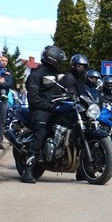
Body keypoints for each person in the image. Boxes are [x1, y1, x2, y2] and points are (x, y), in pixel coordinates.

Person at [22, 45, 67, 183]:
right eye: (59, 60)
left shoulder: (55, 76)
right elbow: (33, 98)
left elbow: (60, 93)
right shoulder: (35, 75)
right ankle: (28, 170)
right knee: (40, 133)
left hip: (54, 110)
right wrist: (48, 105)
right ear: (53, 59)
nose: (61, 63)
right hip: (40, 110)